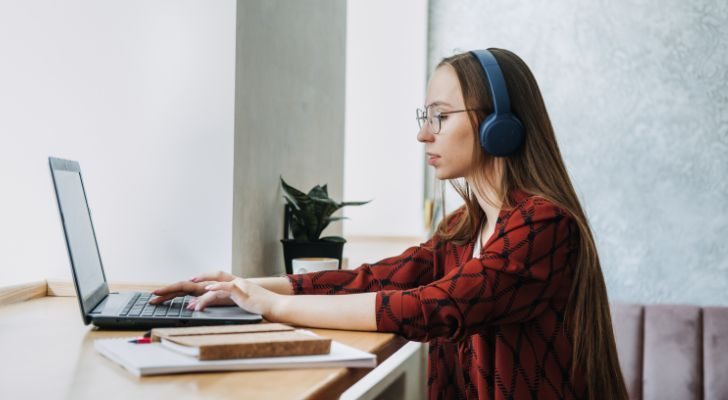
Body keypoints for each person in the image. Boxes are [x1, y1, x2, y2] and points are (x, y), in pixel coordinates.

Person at [151, 48, 628, 400]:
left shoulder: (544, 226)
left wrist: (270, 306)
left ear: (497, 126)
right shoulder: (465, 226)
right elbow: (378, 279)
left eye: (439, 117)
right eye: (426, 117)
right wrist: (245, 284)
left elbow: (429, 306)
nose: (423, 133)